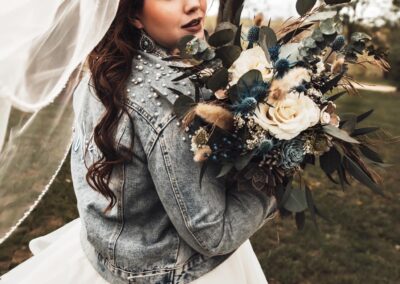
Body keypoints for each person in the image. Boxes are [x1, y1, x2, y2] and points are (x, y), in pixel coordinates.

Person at [0, 0, 277, 283]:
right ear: (133, 15)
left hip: (107, 259)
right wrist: (275, 174)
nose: (194, 4)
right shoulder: (171, 103)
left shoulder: (102, 69)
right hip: (172, 270)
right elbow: (212, 234)